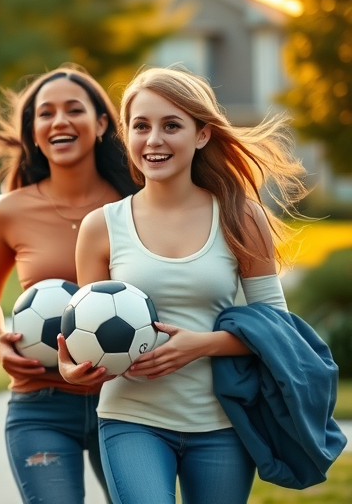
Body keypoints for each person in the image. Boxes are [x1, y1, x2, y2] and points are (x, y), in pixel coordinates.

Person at [58, 66, 307, 504]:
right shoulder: (101, 226)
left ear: (202, 134)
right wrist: (72, 369)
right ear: (126, 135)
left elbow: (277, 328)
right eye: (141, 126)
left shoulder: (241, 217)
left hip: (223, 424)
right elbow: (87, 335)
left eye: (172, 125)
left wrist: (202, 344)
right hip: (130, 419)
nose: (154, 140)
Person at [0, 65, 138, 504]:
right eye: (45, 113)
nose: (59, 121)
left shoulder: (137, 203)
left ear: (101, 123)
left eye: (73, 109)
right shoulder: (9, 211)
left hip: (129, 403)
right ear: (33, 131)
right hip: (40, 404)